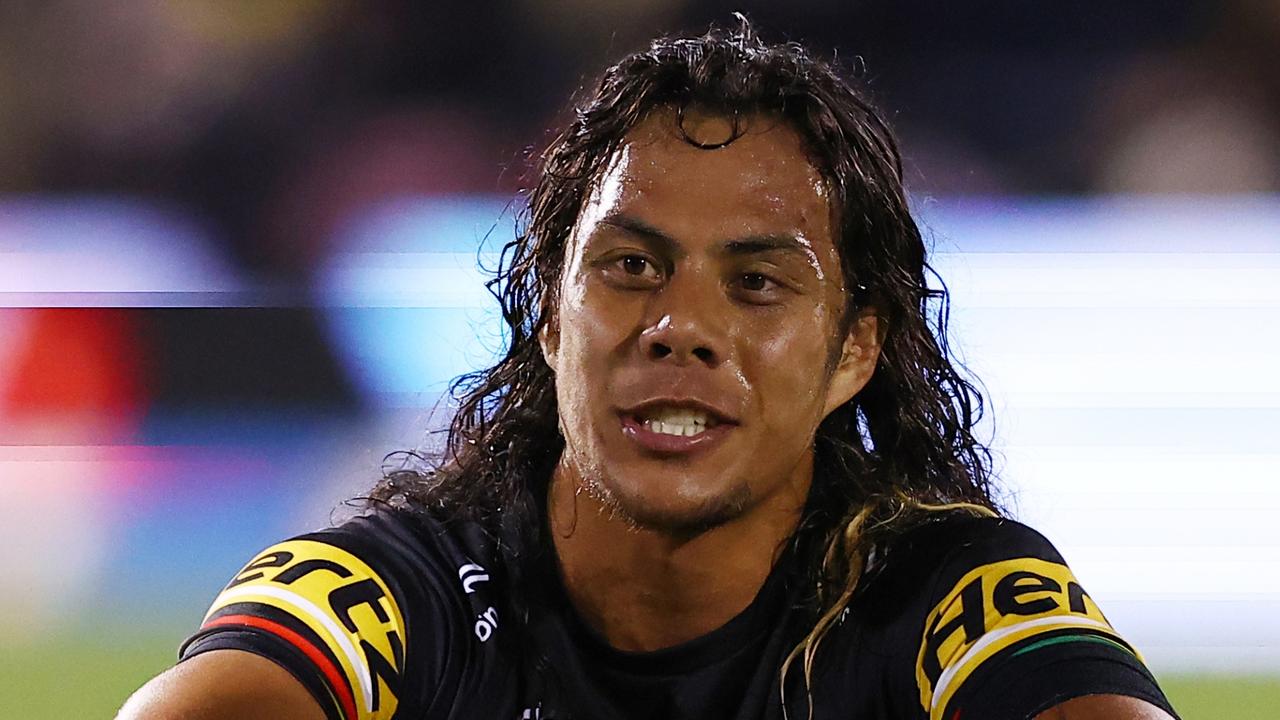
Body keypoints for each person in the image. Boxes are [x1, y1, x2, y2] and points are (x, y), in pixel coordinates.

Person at [119, 19, 1180, 720]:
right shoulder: (401, 594)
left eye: (756, 284)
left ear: (853, 349)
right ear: (547, 317)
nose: (679, 326)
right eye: (629, 267)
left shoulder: (941, 599)